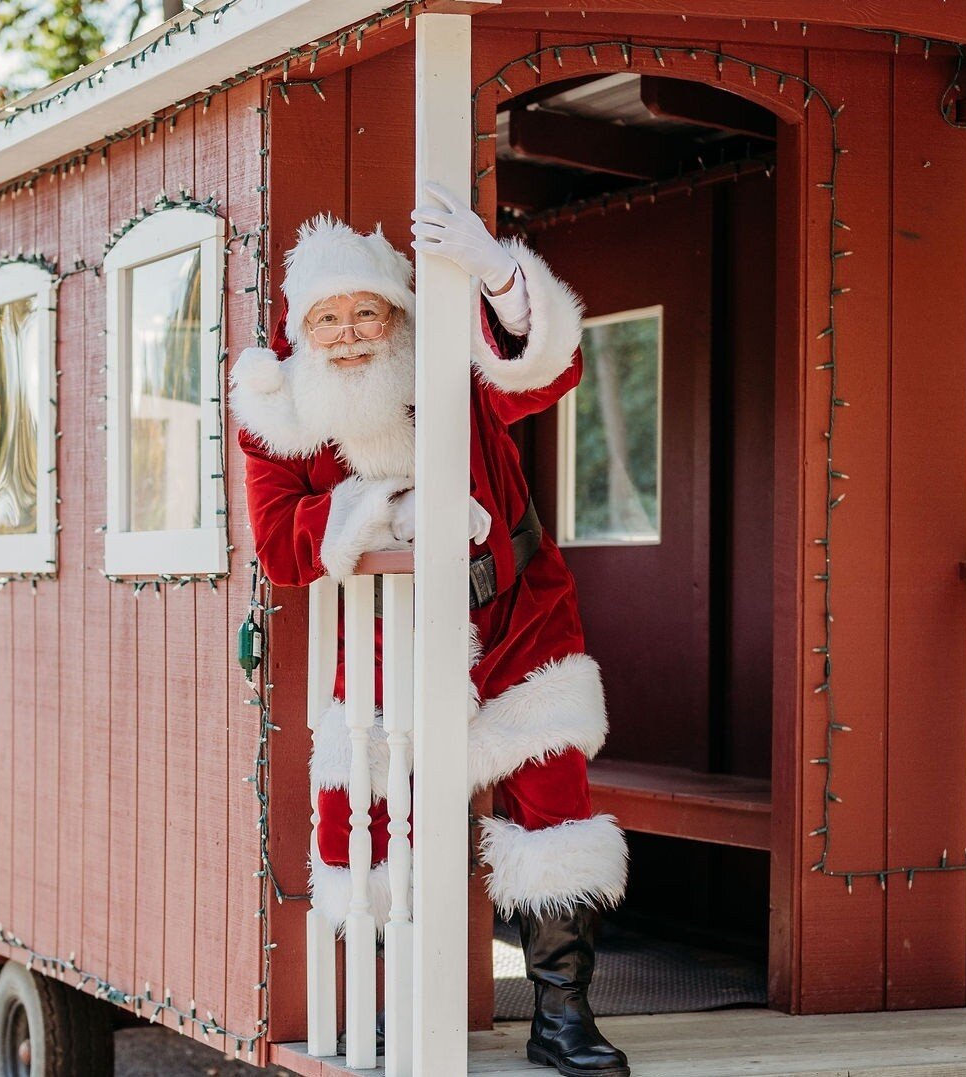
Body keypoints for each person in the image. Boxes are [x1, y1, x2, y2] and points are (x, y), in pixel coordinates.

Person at [231, 181, 630, 1077]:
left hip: (520, 614)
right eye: (328, 318)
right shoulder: (278, 416)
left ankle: (564, 1017)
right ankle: (385, 1007)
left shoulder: (449, 366)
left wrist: (497, 275)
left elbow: (542, 370)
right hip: (387, 639)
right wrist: (389, 507)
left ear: (395, 315)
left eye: (365, 312)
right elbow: (278, 543)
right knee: (365, 814)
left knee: (554, 798)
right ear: (301, 329)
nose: (348, 333)